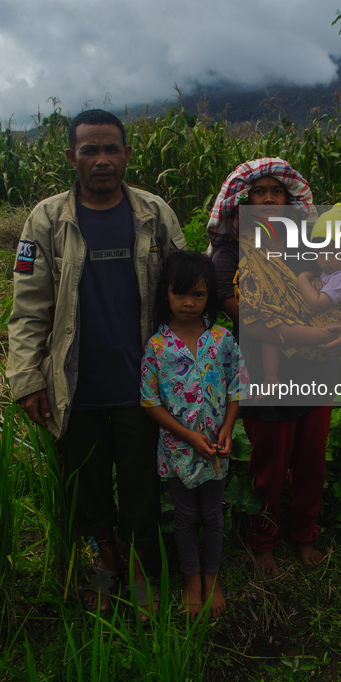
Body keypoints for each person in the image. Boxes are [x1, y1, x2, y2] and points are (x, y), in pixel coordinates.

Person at [7, 108, 186, 618]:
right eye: (90, 150)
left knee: (141, 489)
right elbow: (29, 306)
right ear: (71, 157)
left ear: (128, 155)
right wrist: (26, 378)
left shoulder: (154, 213)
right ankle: (97, 561)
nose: (102, 160)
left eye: (111, 149)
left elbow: (185, 293)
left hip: (143, 388)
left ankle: (141, 565)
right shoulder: (45, 220)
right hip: (73, 386)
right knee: (86, 492)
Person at [208, 159, 341, 576]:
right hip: (265, 376)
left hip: (319, 372)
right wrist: (311, 336)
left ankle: (305, 533)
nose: (270, 199)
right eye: (260, 192)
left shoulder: (305, 248)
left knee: (312, 460)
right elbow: (249, 320)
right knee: (269, 467)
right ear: (242, 205)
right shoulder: (227, 257)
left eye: (278, 192)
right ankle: (264, 540)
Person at [140, 251, 248, 620]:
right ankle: (190, 582)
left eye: (199, 295)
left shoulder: (222, 340)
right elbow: (149, 401)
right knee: (185, 516)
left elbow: (237, 388)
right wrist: (186, 436)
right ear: (165, 294)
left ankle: (212, 578)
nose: (188, 302)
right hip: (177, 449)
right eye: (180, 293)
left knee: (213, 515)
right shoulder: (156, 346)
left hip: (217, 448)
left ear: (210, 298)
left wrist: (228, 428)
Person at [259, 202, 341, 388]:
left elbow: (316, 304)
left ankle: (270, 379)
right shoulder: (337, 270)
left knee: (272, 330)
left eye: (334, 253)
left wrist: (303, 279)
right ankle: (271, 379)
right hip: (321, 338)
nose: (326, 259)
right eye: (321, 252)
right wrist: (317, 281)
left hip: (321, 339)